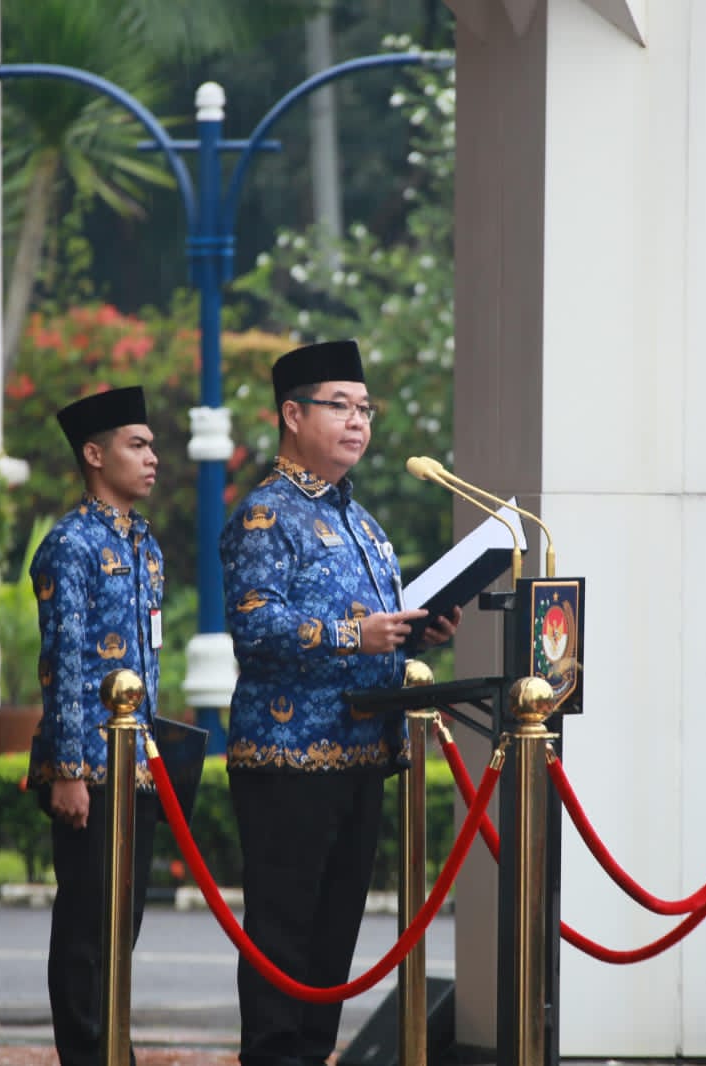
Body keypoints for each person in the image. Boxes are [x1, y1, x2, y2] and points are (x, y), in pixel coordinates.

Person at [219, 338, 461, 1066]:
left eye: (365, 410)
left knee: (331, 948)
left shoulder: (366, 525)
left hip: (362, 754)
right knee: (283, 939)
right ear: (292, 415)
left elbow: (373, 640)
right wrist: (358, 633)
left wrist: (421, 632)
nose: (358, 423)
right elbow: (255, 625)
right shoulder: (266, 516)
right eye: (341, 407)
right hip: (288, 760)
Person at [29, 385, 164, 1066]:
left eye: (151, 445)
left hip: (140, 769)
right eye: (136, 445)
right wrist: (70, 772)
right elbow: (65, 662)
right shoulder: (70, 546)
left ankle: (115, 1050)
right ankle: (88, 1055)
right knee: (86, 931)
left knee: (123, 931)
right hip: (88, 772)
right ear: (93, 454)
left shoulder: (145, 545)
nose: (153, 458)